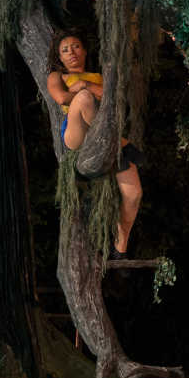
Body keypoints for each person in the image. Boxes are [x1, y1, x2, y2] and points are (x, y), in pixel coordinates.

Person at [47, 33, 144, 255]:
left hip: (104, 135)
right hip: (77, 132)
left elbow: (114, 100)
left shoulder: (99, 76)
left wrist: (84, 84)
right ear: (59, 57)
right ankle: (120, 143)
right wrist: (85, 90)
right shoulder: (56, 76)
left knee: (134, 194)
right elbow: (62, 98)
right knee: (84, 99)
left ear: (84, 50)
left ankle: (120, 247)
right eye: (65, 50)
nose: (71, 52)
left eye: (76, 46)